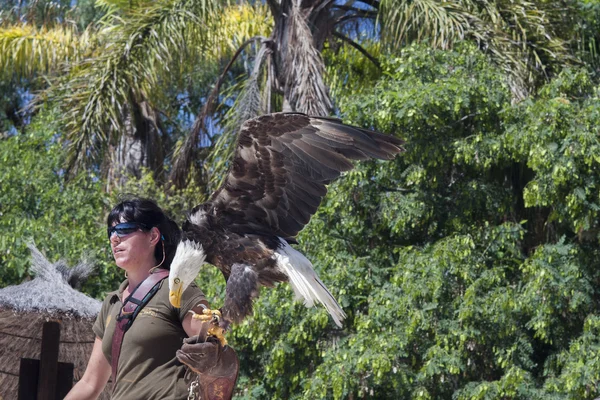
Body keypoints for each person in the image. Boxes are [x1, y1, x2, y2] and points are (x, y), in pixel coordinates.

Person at [65, 197, 236, 400]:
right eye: (111, 232)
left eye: (124, 229)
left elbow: (214, 354)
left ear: (153, 236)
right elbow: (89, 384)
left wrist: (218, 360)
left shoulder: (178, 289)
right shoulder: (112, 303)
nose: (114, 238)